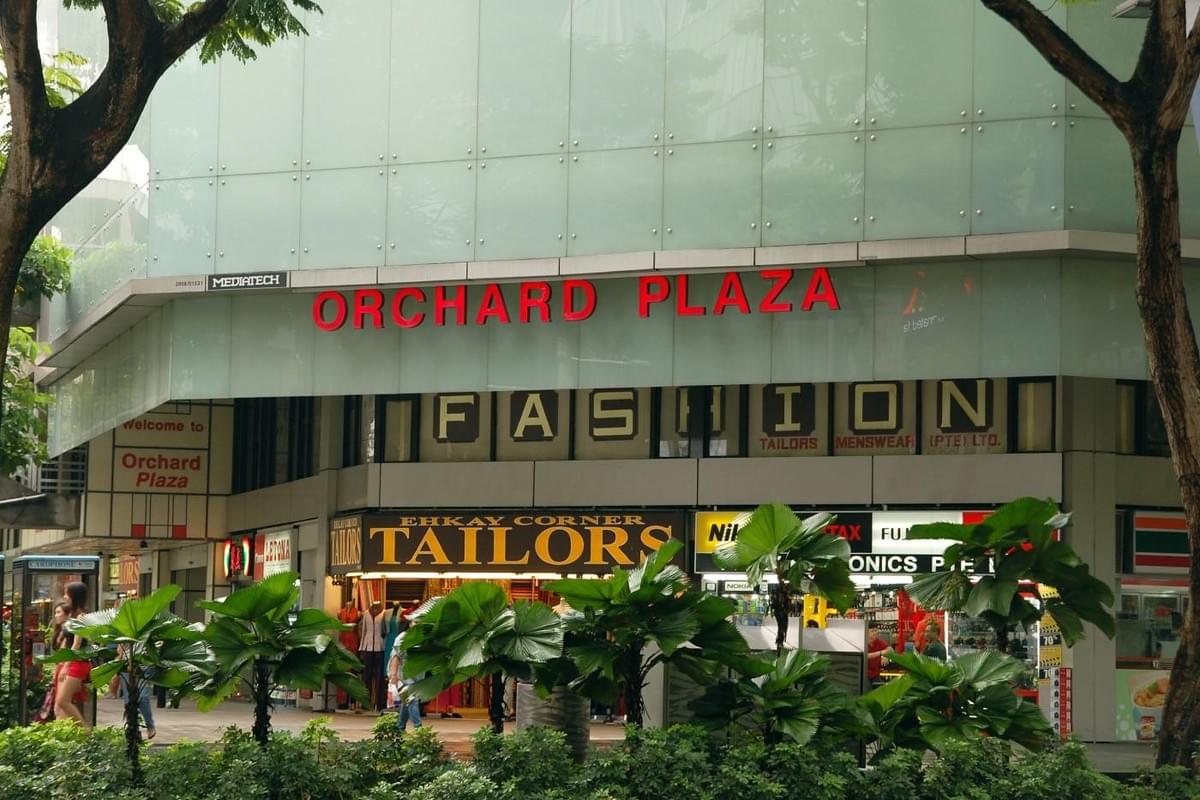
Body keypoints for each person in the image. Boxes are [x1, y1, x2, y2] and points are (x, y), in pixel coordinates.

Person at [54, 581, 91, 725]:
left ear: (74, 595)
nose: (65, 597)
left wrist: (66, 666)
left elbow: (76, 644)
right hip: (70, 662)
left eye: (67, 593)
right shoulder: (73, 615)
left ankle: (85, 731)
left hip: (77, 663)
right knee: (61, 704)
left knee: (63, 701)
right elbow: (67, 642)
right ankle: (71, 734)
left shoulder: (81, 617)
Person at [33, 603, 70, 723]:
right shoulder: (59, 630)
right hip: (60, 666)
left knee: (60, 704)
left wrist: (62, 668)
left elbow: (65, 653)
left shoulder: (69, 631)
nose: (56, 616)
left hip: (66, 667)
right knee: (58, 704)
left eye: (59, 612)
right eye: (55, 612)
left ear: (67, 614)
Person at [387, 612, 422, 731]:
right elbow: (395, 657)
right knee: (412, 700)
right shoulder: (402, 637)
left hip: (417, 674)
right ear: (410, 623)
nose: (417, 624)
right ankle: (419, 729)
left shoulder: (423, 637)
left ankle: (400, 728)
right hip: (402, 674)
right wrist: (393, 675)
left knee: (406, 703)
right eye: (415, 622)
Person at [116, 644, 156, 740]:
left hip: (144, 664)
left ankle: (150, 725)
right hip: (126, 666)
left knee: (143, 697)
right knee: (129, 701)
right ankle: (133, 730)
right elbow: (120, 647)